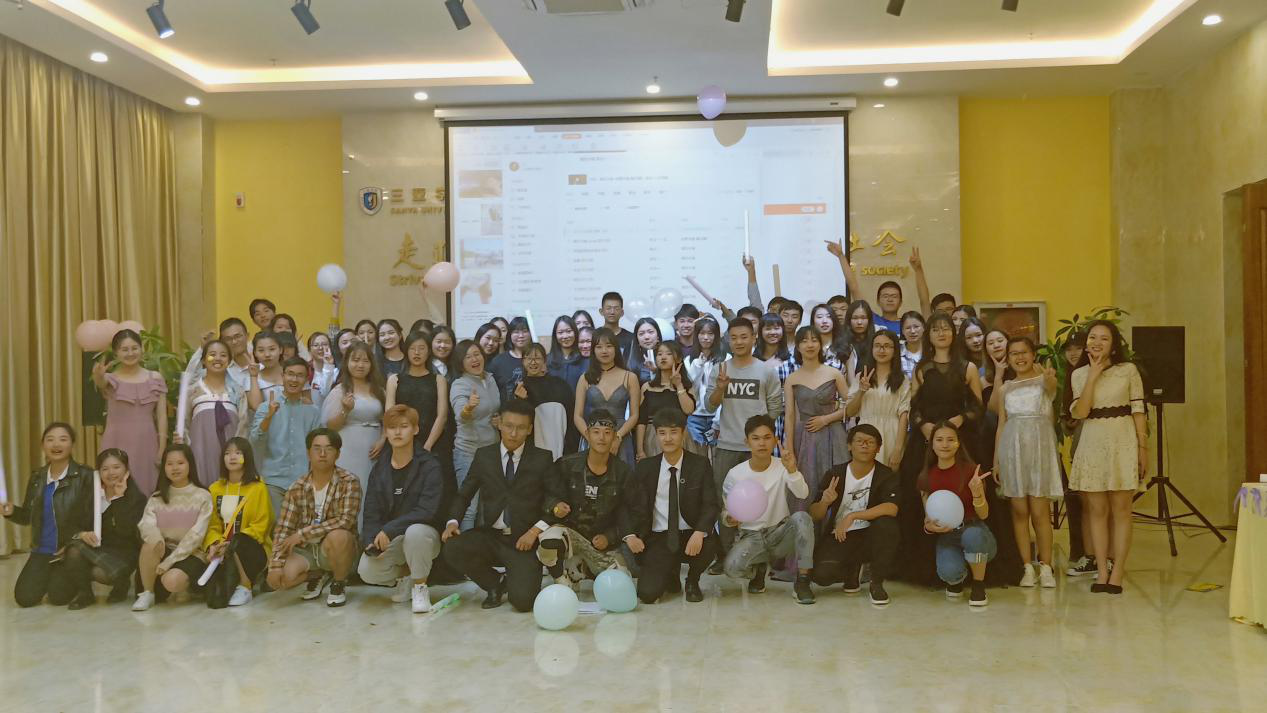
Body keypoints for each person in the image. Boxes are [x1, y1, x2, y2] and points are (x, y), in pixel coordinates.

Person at [442, 400, 553, 611]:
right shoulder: (484, 456)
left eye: (521, 428)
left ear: (530, 429)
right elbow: (464, 494)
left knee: (523, 603)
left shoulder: (542, 458)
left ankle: (519, 578)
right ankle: (495, 583)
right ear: (499, 423)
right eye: (509, 426)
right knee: (453, 547)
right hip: (491, 536)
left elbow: (556, 501)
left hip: (524, 540)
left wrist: (534, 531)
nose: (513, 433)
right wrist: (452, 522)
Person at [898, 311, 984, 585]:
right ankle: (928, 567)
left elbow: (978, 408)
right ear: (929, 335)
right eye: (935, 329)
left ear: (953, 333)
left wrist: (960, 420)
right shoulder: (921, 369)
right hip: (926, 441)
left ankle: (971, 564)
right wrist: (923, 426)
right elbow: (914, 407)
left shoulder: (968, 368)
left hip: (959, 441)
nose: (941, 333)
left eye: (946, 328)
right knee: (922, 494)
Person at [1069, 320, 1148, 594]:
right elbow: (1080, 412)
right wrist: (1093, 375)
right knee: (1097, 511)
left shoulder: (1128, 370)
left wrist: (1143, 448)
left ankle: (1118, 573)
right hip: (1092, 443)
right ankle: (1101, 571)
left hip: (1123, 441)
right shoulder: (1079, 374)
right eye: (1092, 337)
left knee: (1122, 509)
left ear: (1113, 345)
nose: (1097, 342)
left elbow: (1138, 410)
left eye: (1104, 338)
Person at [708, 318, 784, 562]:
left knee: (762, 501)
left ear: (754, 338)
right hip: (727, 446)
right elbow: (710, 405)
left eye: (744, 336)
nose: (739, 342)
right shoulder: (720, 369)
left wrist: (760, 438)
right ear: (728, 341)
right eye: (734, 337)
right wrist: (720, 388)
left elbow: (775, 408)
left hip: (758, 450)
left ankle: (759, 560)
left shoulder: (766, 370)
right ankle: (727, 555)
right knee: (726, 503)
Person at [357, 405, 446, 613]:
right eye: (392, 427)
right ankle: (407, 577)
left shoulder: (429, 465)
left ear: (415, 429)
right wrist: (370, 540)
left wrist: (390, 529)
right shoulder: (380, 468)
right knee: (367, 570)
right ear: (386, 432)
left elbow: (427, 510)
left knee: (415, 532)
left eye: (404, 426)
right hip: (394, 541)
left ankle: (420, 588)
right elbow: (371, 512)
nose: (397, 432)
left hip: (424, 537)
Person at [625, 409, 718, 603]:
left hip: (690, 534)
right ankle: (670, 572)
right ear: (656, 435)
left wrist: (699, 531)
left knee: (710, 542)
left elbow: (710, 503)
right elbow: (629, 504)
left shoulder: (700, 465)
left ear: (683, 433)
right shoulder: (646, 467)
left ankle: (692, 580)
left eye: (673, 432)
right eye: (662, 433)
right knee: (647, 595)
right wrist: (631, 534)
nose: (668, 438)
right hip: (659, 537)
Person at [720, 415, 815, 604]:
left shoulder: (782, 466)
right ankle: (759, 568)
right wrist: (730, 518)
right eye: (755, 438)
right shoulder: (735, 474)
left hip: (779, 532)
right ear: (747, 442)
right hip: (751, 536)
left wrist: (792, 470)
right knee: (732, 569)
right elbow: (726, 512)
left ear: (775, 440)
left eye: (767, 437)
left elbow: (802, 494)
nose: (762, 443)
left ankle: (803, 580)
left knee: (803, 518)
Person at [993, 337, 1062, 589]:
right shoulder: (1006, 388)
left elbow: (1052, 388)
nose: (1019, 357)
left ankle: (1046, 566)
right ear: (1008, 358)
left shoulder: (1044, 381)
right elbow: (1002, 424)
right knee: (1019, 511)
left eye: (1024, 352)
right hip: (1012, 451)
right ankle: (1026, 567)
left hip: (1040, 450)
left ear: (1033, 354)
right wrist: (996, 460)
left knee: (1040, 511)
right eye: (1014, 353)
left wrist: (1049, 378)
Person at [538, 409, 635, 588]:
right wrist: (555, 505)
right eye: (596, 432)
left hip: (601, 542)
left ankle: (583, 569)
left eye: (607, 433)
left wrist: (609, 537)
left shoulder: (624, 472)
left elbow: (628, 513)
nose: (601, 438)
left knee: (620, 585)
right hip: (571, 534)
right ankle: (561, 578)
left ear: (615, 437)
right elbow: (546, 495)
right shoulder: (567, 464)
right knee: (549, 540)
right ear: (587, 435)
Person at [1, 423, 94, 607]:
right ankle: (50, 574)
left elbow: (92, 518)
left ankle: (76, 575)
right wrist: (12, 512)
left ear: (72, 444)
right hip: (42, 550)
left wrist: (73, 543)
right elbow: (27, 516)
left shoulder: (85, 475)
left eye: (63, 439)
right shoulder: (37, 476)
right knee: (25, 599)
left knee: (58, 598)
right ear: (43, 445)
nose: (56, 444)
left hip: (69, 550)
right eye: (50, 440)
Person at [267, 429, 362, 607]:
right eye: (317, 448)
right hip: (307, 550)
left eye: (329, 449)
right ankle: (316, 575)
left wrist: (303, 534)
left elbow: (345, 520)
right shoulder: (297, 487)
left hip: (334, 548)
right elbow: (284, 529)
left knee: (339, 536)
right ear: (308, 453)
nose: (322, 454)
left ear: (338, 454)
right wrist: (275, 566)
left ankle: (338, 583)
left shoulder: (349, 481)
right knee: (281, 579)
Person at [809, 424, 900, 605]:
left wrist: (852, 516)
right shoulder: (835, 473)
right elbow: (814, 514)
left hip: (871, 534)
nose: (864, 445)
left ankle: (876, 583)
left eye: (870, 442)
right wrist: (825, 502)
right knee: (821, 576)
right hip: (841, 535)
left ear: (878, 448)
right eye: (859, 441)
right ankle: (852, 569)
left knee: (888, 525)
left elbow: (892, 508)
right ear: (849, 446)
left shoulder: (886, 474)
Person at [919, 422, 996, 607]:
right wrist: (929, 527)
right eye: (939, 440)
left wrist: (977, 493)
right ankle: (957, 579)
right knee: (949, 573)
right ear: (931, 443)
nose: (945, 444)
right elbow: (928, 516)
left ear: (958, 443)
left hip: (975, 530)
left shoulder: (971, 471)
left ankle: (978, 584)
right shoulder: (926, 476)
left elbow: (984, 515)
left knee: (972, 535)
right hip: (948, 535)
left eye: (950, 439)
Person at [62, 449, 147, 608]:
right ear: (98, 472)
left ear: (126, 470)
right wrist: (82, 534)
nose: (111, 473)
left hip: (123, 551)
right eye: (105, 469)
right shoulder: (90, 494)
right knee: (74, 550)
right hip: (95, 548)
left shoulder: (137, 499)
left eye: (116, 467)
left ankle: (121, 583)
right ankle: (85, 594)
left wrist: (119, 499)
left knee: (101, 573)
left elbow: (126, 531)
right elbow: (69, 523)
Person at [132, 444, 213, 611]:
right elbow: (146, 525)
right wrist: (157, 541)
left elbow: (196, 536)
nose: (175, 468)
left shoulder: (203, 496)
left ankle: (187, 586)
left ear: (190, 465)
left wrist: (170, 561)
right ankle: (147, 593)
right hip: (163, 550)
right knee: (150, 543)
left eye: (180, 463)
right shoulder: (156, 497)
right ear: (164, 468)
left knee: (172, 581)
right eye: (169, 464)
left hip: (191, 553)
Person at [782, 327, 850, 518]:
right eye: (804, 341)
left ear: (820, 345)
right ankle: (806, 530)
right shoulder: (792, 379)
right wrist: (790, 448)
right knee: (807, 483)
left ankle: (836, 528)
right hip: (805, 437)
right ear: (797, 346)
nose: (810, 345)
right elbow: (789, 415)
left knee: (836, 480)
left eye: (814, 340)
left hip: (834, 435)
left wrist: (826, 419)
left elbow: (852, 407)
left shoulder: (834, 373)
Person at [92, 329, 168, 495]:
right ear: (116, 353)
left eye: (134, 348)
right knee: (115, 490)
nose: (130, 353)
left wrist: (162, 447)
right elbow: (101, 382)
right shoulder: (111, 379)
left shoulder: (155, 378)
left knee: (145, 488)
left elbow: (162, 416)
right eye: (124, 349)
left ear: (142, 349)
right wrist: (98, 375)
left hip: (146, 442)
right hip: (116, 440)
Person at [251, 356, 322, 522]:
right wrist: (269, 417)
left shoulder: (312, 411)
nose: (294, 379)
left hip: (303, 481)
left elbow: (317, 448)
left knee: (299, 530)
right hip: (273, 480)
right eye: (290, 374)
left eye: (299, 375)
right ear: (282, 376)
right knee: (275, 528)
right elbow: (255, 440)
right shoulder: (266, 407)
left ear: (306, 380)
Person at [202, 438, 272, 607]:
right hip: (222, 549)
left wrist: (232, 543)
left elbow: (261, 525)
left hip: (252, 547)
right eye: (227, 453)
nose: (232, 457)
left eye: (238, 453)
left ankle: (245, 586)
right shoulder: (215, 489)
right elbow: (212, 525)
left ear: (247, 457)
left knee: (239, 542)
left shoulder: (258, 488)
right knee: (215, 600)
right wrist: (215, 544)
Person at [321, 341, 386, 505]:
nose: (360, 365)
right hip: (347, 450)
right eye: (355, 360)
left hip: (374, 450)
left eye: (365, 361)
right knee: (349, 495)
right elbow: (330, 426)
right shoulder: (340, 390)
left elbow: (388, 419)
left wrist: (383, 440)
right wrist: (345, 410)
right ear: (347, 362)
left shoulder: (379, 390)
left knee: (372, 495)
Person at [176, 339, 247, 487]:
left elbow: (243, 424)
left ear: (229, 361)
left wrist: (237, 453)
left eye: (223, 355)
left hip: (231, 456)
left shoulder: (237, 391)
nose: (217, 359)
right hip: (200, 453)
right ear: (203, 360)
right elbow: (184, 424)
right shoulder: (192, 391)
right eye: (212, 355)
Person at [450, 339, 502, 529]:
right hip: (469, 452)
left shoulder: (490, 378)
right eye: (468, 357)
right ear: (460, 362)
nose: (474, 359)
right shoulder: (460, 384)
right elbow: (460, 415)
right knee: (469, 508)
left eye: (477, 354)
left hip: (492, 452)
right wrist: (468, 408)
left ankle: (482, 546)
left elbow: (493, 409)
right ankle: (464, 546)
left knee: (488, 507)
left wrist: (499, 420)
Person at [825, 241, 933, 331]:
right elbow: (854, 288)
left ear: (901, 302)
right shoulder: (871, 319)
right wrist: (841, 256)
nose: (890, 299)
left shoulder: (909, 325)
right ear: (878, 301)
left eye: (894, 296)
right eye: (885, 296)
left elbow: (924, 302)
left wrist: (918, 270)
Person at [845, 330, 911, 469]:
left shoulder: (902, 380)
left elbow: (904, 415)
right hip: (865, 433)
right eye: (877, 346)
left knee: (888, 478)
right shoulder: (861, 377)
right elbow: (850, 412)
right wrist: (861, 391)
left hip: (891, 433)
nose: (882, 350)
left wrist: (898, 448)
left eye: (887, 346)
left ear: (895, 350)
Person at [574, 328, 640, 466]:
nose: (604, 351)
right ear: (593, 350)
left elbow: (634, 415)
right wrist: (590, 437)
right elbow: (577, 416)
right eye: (599, 347)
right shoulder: (585, 378)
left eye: (609, 346)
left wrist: (618, 437)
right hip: (592, 435)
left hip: (620, 436)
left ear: (616, 349)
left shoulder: (630, 377)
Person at [386, 332, 449, 459]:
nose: (416, 352)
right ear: (406, 351)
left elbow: (442, 416)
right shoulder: (394, 380)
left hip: (433, 444)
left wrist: (427, 446)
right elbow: (390, 415)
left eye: (421, 348)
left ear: (429, 351)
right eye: (412, 348)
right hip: (401, 443)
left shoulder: (439, 380)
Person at [513, 342, 575, 458]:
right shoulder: (520, 389)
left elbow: (571, 416)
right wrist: (521, 400)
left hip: (561, 448)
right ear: (523, 361)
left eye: (537, 358)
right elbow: (520, 422)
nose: (533, 362)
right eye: (529, 358)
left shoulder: (560, 385)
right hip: (532, 452)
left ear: (544, 361)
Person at [636, 342, 697, 461]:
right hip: (653, 436)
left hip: (679, 435)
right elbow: (641, 420)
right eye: (659, 354)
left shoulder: (686, 386)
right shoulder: (647, 387)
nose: (663, 357)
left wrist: (679, 385)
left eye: (669, 354)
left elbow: (689, 410)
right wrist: (640, 450)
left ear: (678, 359)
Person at [684, 316, 725, 451]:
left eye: (710, 333)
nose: (706, 338)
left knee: (717, 455)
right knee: (696, 455)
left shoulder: (725, 359)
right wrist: (698, 365)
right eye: (702, 333)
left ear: (716, 335)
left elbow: (725, 392)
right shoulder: (689, 360)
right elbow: (691, 388)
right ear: (696, 335)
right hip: (695, 417)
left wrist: (717, 421)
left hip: (718, 417)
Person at [184, 317, 254, 393]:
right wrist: (202, 348)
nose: (234, 341)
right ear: (222, 342)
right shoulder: (221, 367)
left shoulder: (261, 360)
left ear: (247, 336)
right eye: (228, 339)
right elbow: (189, 381)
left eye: (237, 336)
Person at [490, 316, 532, 400]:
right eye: (516, 332)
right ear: (510, 335)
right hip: (507, 407)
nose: (521, 336)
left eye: (525, 331)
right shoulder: (498, 361)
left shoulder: (537, 359)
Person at [547, 315, 587, 391]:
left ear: (575, 332)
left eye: (569, 331)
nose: (565, 336)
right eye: (560, 332)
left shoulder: (584, 358)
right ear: (555, 335)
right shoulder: (548, 360)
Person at [246, 331, 284, 413]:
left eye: (272, 349)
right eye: (261, 350)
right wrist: (253, 376)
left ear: (280, 349)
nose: (267, 354)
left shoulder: (292, 373)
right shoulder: (251, 378)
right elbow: (256, 407)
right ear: (255, 353)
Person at [599, 291, 636, 356]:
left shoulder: (631, 338)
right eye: (608, 308)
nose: (612, 312)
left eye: (616, 308)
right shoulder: (595, 336)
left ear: (622, 312)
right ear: (601, 311)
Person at [628, 317, 663, 384]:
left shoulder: (668, 355)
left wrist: (655, 371)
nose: (646, 337)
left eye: (650, 332)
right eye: (641, 334)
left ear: (658, 336)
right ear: (637, 339)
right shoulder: (632, 361)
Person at [308, 332, 338, 405]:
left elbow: (325, 392)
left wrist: (328, 365)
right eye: (316, 345)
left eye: (324, 344)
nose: (320, 348)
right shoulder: (305, 369)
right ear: (309, 350)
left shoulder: (337, 372)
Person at [899, 311, 925, 378]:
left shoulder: (932, 351)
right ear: (902, 331)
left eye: (916, 327)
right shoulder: (896, 354)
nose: (912, 331)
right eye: (908, 328)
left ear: (923, 328)